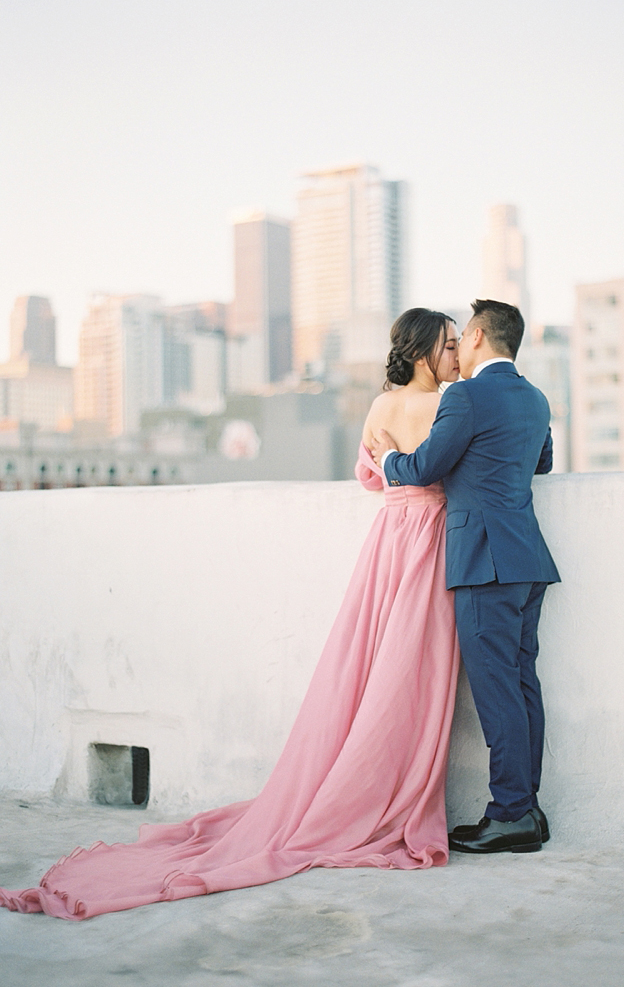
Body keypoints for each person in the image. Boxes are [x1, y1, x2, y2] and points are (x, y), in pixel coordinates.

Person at [0, 309, 462, 920]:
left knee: (379, 663)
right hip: (428, 537)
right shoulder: (451, 406)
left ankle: (365, 784)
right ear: (426, 349)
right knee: (411, 667)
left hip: (389, 540)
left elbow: (370, 478)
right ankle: (384, 792)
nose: (457, 353)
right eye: (449, 344)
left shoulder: (380, 407)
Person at [372, 299, 560, 855]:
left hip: (485, 561)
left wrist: (387, 460)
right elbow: (541, 461)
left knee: (498, 690)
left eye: (461, 337)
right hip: (527, 559)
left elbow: (425, 466)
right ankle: (527, 807)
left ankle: (510, 814)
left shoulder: (466, 396)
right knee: (523, 684)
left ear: (476, 336)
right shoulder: (535, 397)